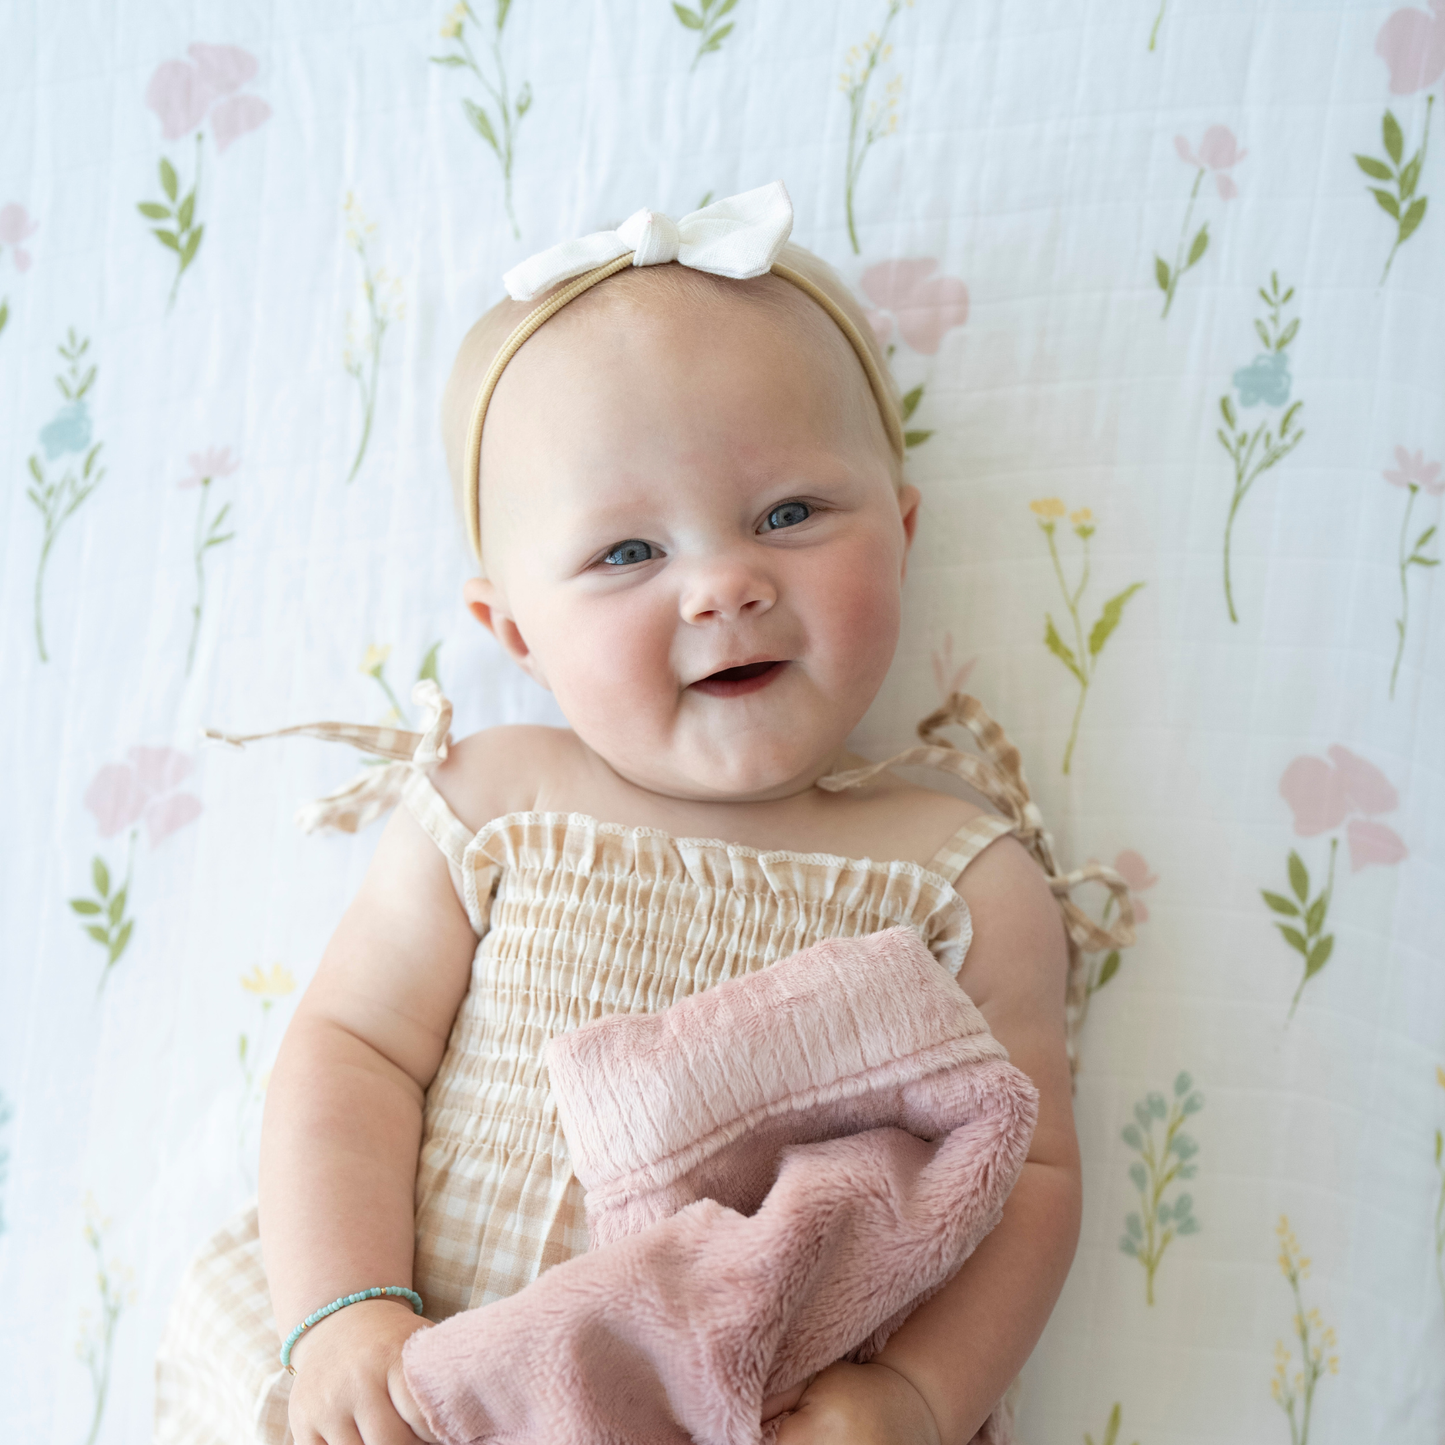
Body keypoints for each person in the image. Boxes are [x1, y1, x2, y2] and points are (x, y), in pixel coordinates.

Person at [157, 183, 1114, 1445]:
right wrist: (342, 1309)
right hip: (423, 1388)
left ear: (900, 530)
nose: (722, 584)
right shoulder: (493, 803)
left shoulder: (958, 873)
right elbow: (349, 1049)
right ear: (515, 631)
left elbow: (1025, 1174)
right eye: (626, 553)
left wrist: (920, 1394)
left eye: (787, 514)